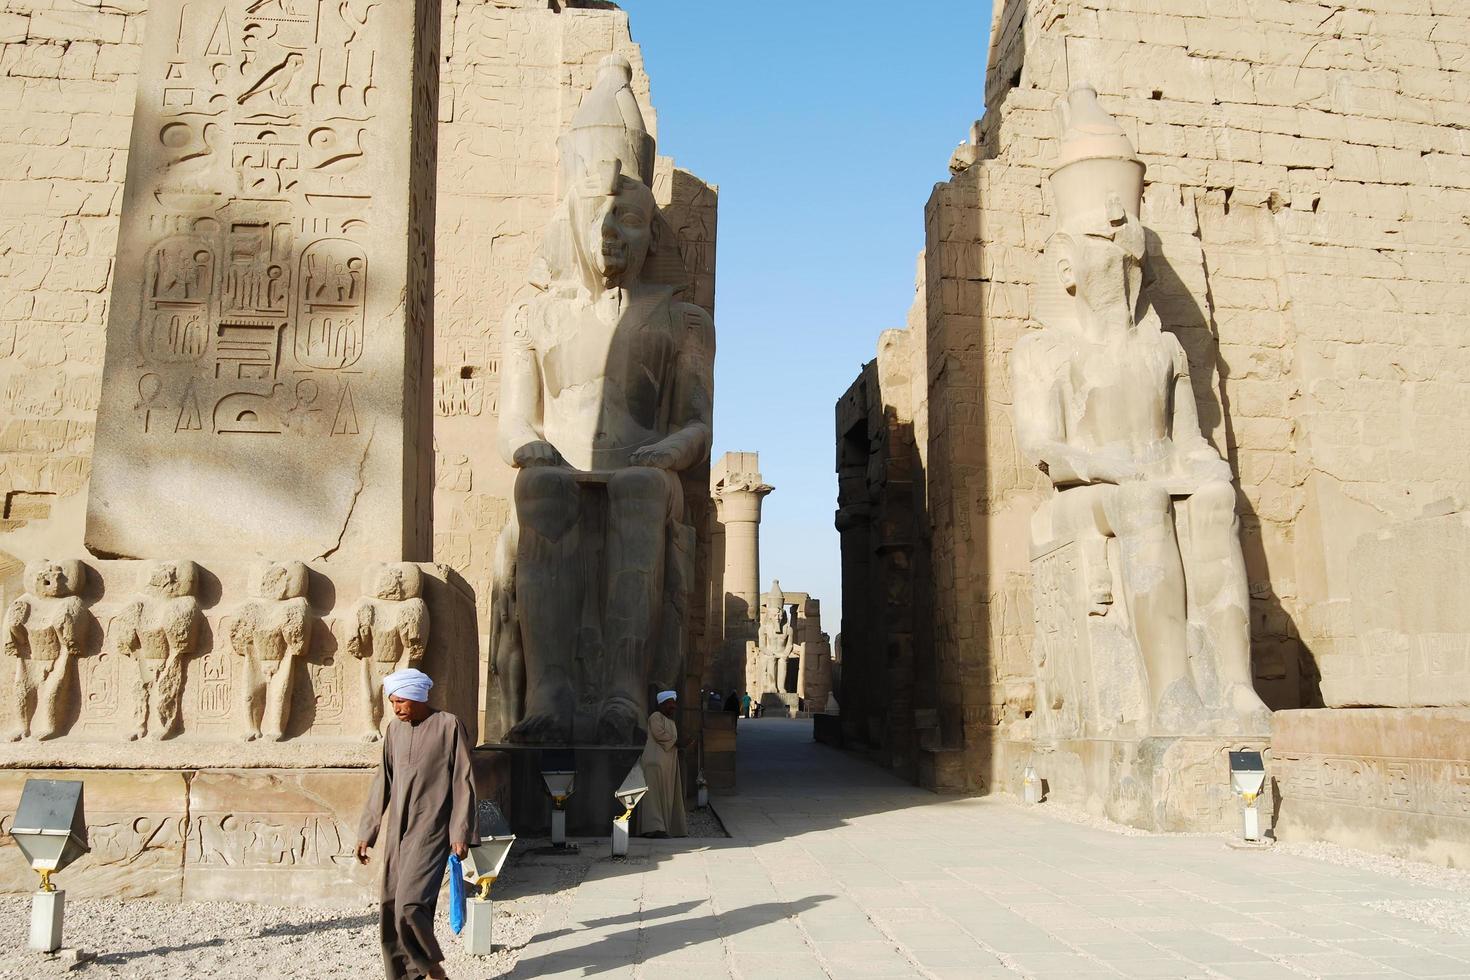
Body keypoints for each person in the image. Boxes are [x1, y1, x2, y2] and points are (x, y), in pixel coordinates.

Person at [356, 668, 479, 980]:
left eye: (401, 701)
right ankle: (404, 975)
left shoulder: (448, 725)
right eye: (393, 702)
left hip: (433, 829)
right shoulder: (393, 731)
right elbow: (382, 780)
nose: (396, 708)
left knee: (410, 905)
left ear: (418, 696)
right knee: (389, 904)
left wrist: (460, 831)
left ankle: (431, 969)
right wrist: (367, 832)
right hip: (398, 831)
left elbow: (463, 780)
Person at [638, 690, 688, 838]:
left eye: (674, 703)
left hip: (667, 765)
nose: (673, 706)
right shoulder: (656, 717)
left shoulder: (671, 722)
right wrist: (678, 742)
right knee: (653, 797)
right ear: (662, 704)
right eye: (670, 703)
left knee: (666, 796)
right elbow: (659, 734)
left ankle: (666, 827)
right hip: (654, 764)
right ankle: (654, 828)